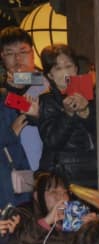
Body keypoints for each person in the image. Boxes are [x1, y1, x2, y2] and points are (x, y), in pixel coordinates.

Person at [37, 44, 97, 188]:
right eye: (58, 68)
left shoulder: (92, 97)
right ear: (50, 75)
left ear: (76, 69)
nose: (66, 72)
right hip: (64, 175)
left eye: (69, 66)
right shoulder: (48, 100)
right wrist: (68, 115)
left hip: (94, 170)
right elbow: (52, 141)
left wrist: (86, 113)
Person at [0, 27, 45, 208]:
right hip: (14, 180)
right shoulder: (3, 95)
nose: (17, 59)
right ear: (2, 58)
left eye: (23, 51)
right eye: (10, 53)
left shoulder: (49, 85)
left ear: (33, 54)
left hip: (48, 176)